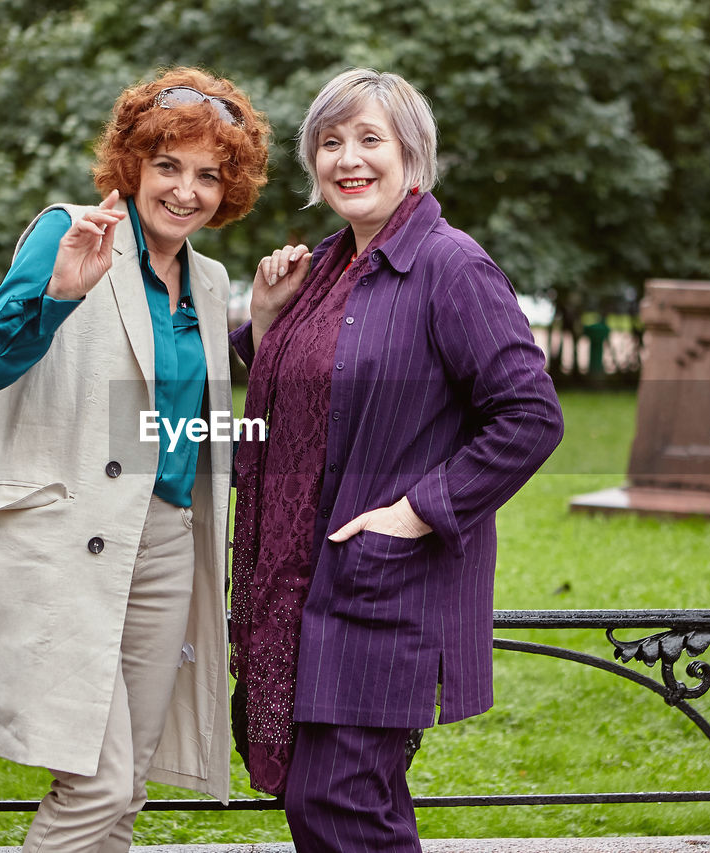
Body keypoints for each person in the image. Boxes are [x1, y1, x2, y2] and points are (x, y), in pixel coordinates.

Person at [228, 68, 564, 852]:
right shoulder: (328, 265)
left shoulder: (451, 267)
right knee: (345, 807)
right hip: (305, 588)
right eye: (331, 141)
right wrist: (264, 323)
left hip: (385, 591)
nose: (348, 158)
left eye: (369, 139)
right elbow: (309, 389)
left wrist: (416, 513)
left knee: (339, 805)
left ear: (412, 154)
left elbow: (530, 415)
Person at [0, 67, 269, 853]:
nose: (186, 191)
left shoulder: (208, 277)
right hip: (69, 544)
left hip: (164, 543)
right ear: (133, 164)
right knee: (97, 783)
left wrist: (260, 328)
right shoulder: (72, 232)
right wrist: (57, 296)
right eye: (169, 166)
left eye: (208, 175)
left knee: (125, 789)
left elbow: (167, 398)